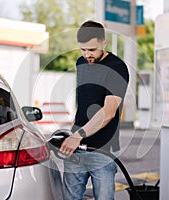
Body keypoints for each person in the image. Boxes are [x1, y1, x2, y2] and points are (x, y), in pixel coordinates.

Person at [59, 20, 129, 200]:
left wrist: (77, 136)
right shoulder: (80, 63)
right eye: (83, 49)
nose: (87, 54)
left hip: (103, 150)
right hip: (76, 149)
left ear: (103, 43)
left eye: (92, 50)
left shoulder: (117, 68)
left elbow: (109, 111)